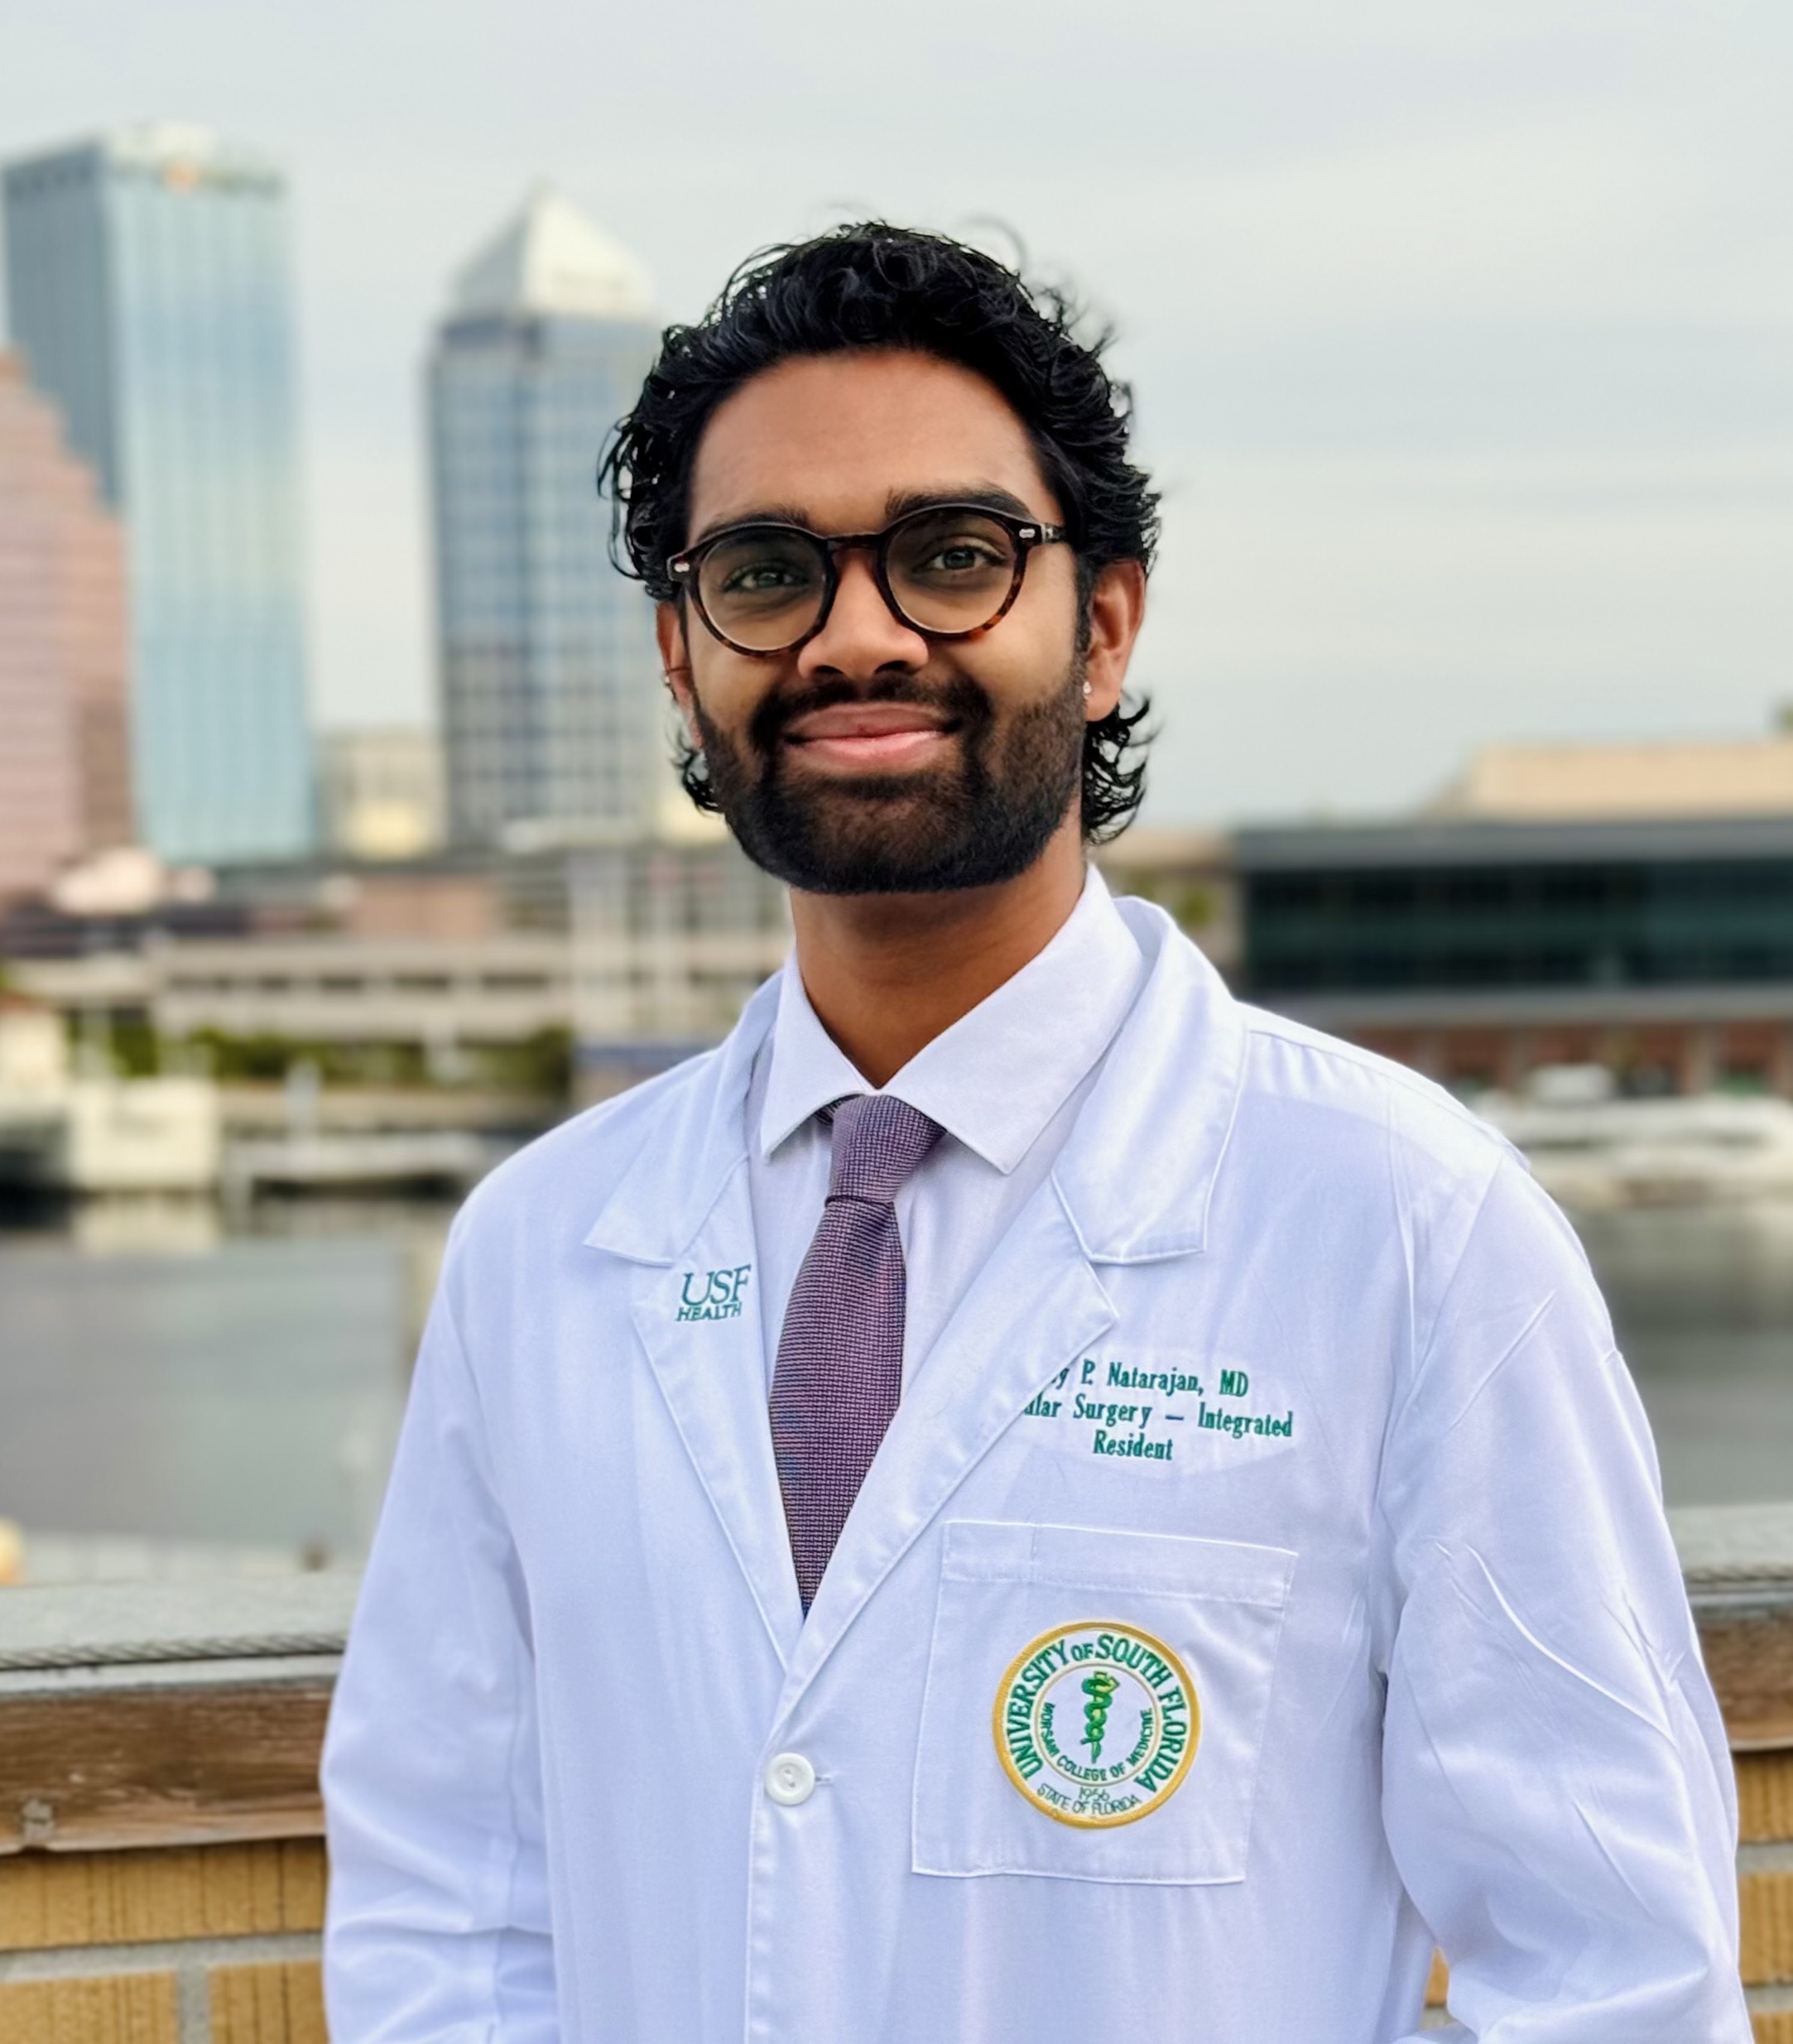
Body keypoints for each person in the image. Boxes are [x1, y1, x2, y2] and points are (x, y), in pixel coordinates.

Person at [323, 225, 1749, 2042]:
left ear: (1105, 624)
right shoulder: (539, 1248)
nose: (857, 636)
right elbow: (451, 1906)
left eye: (950, 557)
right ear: (683, 658)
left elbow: (1617, 1974)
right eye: (767, 574)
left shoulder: (1404, 1225)